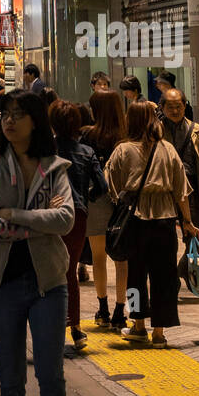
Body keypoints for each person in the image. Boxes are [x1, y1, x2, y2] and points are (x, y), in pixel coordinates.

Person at [0, 90, 75, 396]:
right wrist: (39, 223)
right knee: (11, 381)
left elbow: (66, 220)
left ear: (36, 121)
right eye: (5, 114)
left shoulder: (55, 167)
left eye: (18, 114)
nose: (9, 121)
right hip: (1, 284)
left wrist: (16, 215)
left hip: (48, 283)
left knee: (51, 376)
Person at [106, 100, 199, 348]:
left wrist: (122, 200)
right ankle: (159, 332)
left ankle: (137, 325)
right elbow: (182, 191)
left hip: (134, 221)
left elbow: (110, 185)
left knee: (135, 275)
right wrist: (187, 222)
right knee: (164, 277)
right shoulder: (167, 149)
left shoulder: (123, 150)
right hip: (165, 221)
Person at [48, 100, 107, 351]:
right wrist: (85, 198)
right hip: (78, 216)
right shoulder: (86, 152)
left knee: (50, 271)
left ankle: (51, 325)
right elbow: (102, 187)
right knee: (70, 271)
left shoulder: (46, 150)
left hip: (50, 215)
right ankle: (75, 328)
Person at [80, 89, 129, 330]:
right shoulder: (127, 135)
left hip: (96, 198)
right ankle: (122, 309)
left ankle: (103, 308)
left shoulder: (88, 135)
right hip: (123, 202)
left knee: (98, 257)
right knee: (122, 259)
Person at [161, 88, 199, 249]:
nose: (175, 111)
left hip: (192, 190)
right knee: (165, 240)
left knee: (196, 238)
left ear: (185, 106)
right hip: (164, 191)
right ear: (162, 108)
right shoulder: (156, 132)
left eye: (178, 106)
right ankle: (174, 272)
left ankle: (192, 272)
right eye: (170, 107)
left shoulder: (198, 131)